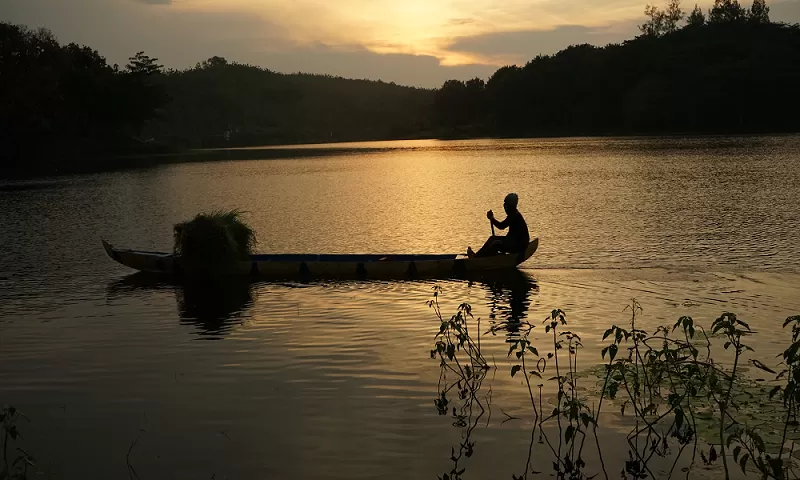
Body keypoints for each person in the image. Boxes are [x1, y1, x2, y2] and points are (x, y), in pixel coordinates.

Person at [467, 193, 530, 258]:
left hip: (518, 245)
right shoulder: (513, 214)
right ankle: (477, 255)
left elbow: (501, 226)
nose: (505, 207)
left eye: (506, 204)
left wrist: (492, 219)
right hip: (513, 241)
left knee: (496, 244)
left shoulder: (514, 215)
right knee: (492, 239)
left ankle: (479, 258)